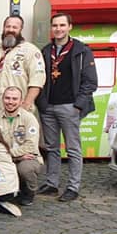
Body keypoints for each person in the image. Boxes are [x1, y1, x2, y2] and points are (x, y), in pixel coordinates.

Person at [36, 12, 97, 202]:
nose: (58, 29)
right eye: (55, 25)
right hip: (49, 107)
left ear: (70, 26)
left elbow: (90, 82)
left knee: (73, 148)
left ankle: (72, 187)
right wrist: (42, 104)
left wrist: (78, 105)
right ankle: (52, 183)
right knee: (52, 147)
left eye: (62, 25)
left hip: (70, 106)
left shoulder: (81, 51)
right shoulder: (46, 51)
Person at [0, 15, 46, 114]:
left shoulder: (31, 50)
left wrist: (26, 104)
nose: (10, 30)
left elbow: (37, 81)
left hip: (19, 110)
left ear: (21, 29)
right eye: (8, 26)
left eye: (15, 27)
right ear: (3, 28)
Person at [0, 86, 42, 206]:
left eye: (14, 99)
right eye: (7, 98)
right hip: (3, 158)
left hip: (28, 158)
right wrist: (14, 156)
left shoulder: (29, 118)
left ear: (21, 101)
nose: (10, 102)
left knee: (25, 169)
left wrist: (11, 155)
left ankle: (29, 191)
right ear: (2, 99)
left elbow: (30, 146)